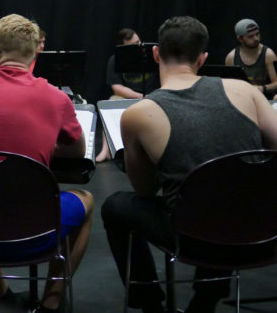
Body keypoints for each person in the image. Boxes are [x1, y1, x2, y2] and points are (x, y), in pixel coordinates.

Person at [102, 16, 277, 313]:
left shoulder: (139, 114)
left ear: (156, 54)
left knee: (116, 206)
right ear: (203, 57)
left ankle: (150, 305)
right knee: (222, 197)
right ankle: (206, 300)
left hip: (194, 239)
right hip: (263, 231)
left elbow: (145, 189)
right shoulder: (246, 91)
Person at [0, 14, 93, 313]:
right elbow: (77, 151)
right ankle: (51, 302)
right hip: (33, 236)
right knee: (87, 200)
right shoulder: (55, 98)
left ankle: (3, 297)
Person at [96, 28, 161, 162]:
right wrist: (141, 97)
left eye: (138, 42)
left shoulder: (152, 56)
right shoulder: (115, 60)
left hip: (154, 95)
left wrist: (152, 96)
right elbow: (117, 88)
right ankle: (106, 150)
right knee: (110, 103)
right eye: (133, 45)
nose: (138, 46)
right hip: (128, 97)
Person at [225, 18, 277, 98]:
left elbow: (276, 83)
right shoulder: (231, 57)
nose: (256, 39)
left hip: (264, 97)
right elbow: (228, 85)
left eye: (257, 34)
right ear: (240, 39)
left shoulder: (268, 54)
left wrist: (262, 88)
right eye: (250, 36)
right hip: (242, 98)